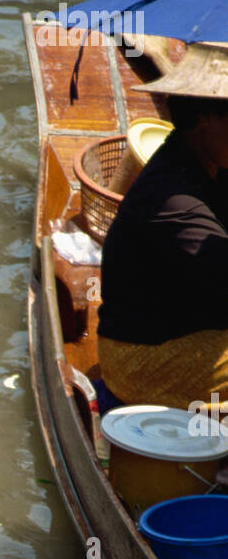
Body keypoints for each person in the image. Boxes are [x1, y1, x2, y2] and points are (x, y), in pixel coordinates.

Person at [97, 42, 228, 416]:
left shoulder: (210, 164)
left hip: (201, 331)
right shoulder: (172, 198)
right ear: (208, 117)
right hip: (146, 359)